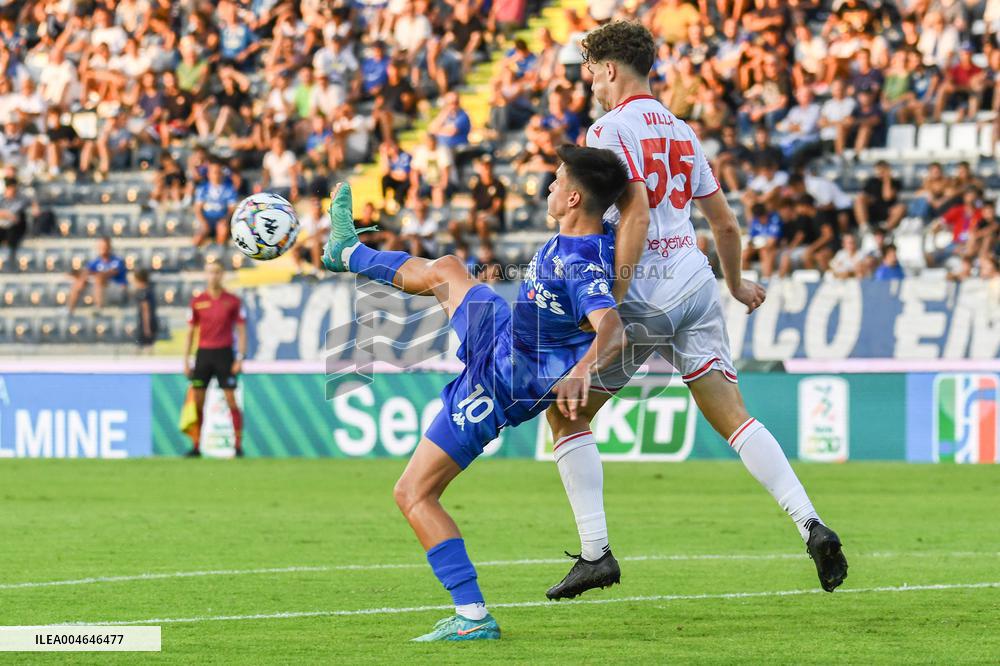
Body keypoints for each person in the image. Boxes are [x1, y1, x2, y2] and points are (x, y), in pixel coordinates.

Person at [544, 20, 847, 601]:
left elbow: (631, 217)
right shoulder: (681, 131)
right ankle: (811, 523)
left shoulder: (608, 128)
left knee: (566, 416)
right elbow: (725, 222)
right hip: (696, 283)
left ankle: (595, 553)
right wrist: (734, 284)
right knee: (735, 417)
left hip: (646, 288)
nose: (588, 82)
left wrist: (618, 299)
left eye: (589, 70)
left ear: (609, 69)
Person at [319, 144, 629, 641]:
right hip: (504, 336)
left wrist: (581, 372)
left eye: (555, 180)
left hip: (503, 382)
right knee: (446, 269)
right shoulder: (590, 236)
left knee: (414, 493)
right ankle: (347, 252)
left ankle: (472, 616)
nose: (548, 187)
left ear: (573, 198)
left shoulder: (581, 260)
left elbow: (612, 329)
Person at [183, 261, 247, 458]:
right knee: (198, 402)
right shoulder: (197, 301)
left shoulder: (233, 301)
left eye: (217, 272)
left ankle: (237, 446)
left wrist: (240, 357)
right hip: (204, 354)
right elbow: (190, 332)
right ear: (206, 275)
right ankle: (196, 446)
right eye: (210, 272)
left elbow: (242, 330)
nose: (214, 276)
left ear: (222, 275)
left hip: (224, 354)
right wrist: (186, 360)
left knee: (231, 401)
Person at [67, 237, 127, 315]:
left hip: (117, 288)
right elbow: (86, 273)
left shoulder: (117, 261)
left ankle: (99, 308)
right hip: (100, 290)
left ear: (109, 247)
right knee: (80, 281)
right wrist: (80, 276)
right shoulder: (95, 262)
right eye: (101, 246)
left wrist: (94, 273)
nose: (102, 248)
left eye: (104, 246)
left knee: (99, 279)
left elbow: (110, 273)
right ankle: (69, 309)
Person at [193, 161, 240, 247]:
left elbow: (232, 209)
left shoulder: (229, 189)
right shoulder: (202, 188)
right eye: (214, 172)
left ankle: (218, 253)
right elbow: (197, 209)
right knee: (198, 236)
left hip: (222, 219)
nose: (216, 175)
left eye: (219, 172)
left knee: (222, 229)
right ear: (208, 174)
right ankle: (194, 255)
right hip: (207, 219)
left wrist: (225, 219)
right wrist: (203, 222)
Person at [134, 268, 158, 352]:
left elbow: (145, 310)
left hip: (146, 324)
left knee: (144, 350)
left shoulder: (142, 292)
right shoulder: (149, 289)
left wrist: (146, 328)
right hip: (151, 321)